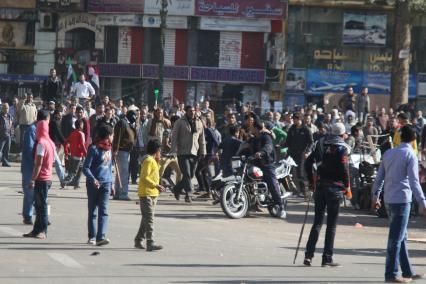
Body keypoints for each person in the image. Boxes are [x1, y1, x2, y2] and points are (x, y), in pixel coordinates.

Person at [372, 125, 426, 283]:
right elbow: (414, 182)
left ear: (400, 138)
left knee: (401, 236)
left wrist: (375, 196)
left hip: (389, 199)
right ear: (414, 139)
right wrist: (423, 201)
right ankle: (391, 274)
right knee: (396, 238)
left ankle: (407, 271)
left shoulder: (389, 153)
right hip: (402, 200)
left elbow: (379, 177)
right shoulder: (410, 154)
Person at [304, 122, 351, 267]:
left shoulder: (321, 145)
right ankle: (327, 258)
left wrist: (312, 182)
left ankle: (308, 256)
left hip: (320, 187)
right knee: (331, 226)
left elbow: (307, 163)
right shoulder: (342, 149)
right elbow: (344, 169)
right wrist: (348, 187)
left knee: (317, 223)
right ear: (342, 135)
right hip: (335, 190)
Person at [23, 117, 55, 239]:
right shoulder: (50, 142)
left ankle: (43, 231)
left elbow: (38, 164)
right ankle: (36, 230)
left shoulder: (41, 143)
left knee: (41, 207)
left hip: (41, 178)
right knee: (39, 205)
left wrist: (32, 179)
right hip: (48, 177)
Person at [83, 125, 115, 246]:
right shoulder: (94, 149)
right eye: (112, 135)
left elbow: (110, 167)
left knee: (104, 210)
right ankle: (92, 236)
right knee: (93, 211)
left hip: (106, 184)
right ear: (107, 136)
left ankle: (101, 236)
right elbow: (85, 168)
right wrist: (93, 179)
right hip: (93, 185)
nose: (113, 137)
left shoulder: (109, 149)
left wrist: (112, 183)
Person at [134, 139, 165, 251]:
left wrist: (158, 161)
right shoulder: (148, 160)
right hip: (146, 193)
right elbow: (144, 177)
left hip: (153, 194)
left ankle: (138, 240)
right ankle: (150, 242)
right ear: (156, 150)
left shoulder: (153, 160)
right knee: (149, 218)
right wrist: (155, 185)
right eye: (160, 150)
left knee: (146, 218)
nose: (160, 152)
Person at [171, 105, 206, 203]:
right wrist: (173, 150)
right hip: (182, 152)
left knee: (190, 175)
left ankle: (176, 189)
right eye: (190, 111)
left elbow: (202, 138)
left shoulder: (199, 122)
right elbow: (174, 137)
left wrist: (203, 152)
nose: (192, 112)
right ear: (186, 112)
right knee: (186, 173)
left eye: (194, 111)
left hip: (195, 152)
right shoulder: (180, 122)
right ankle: (188, 194)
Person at [21, 110, 50, 225]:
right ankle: (28, 216)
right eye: (48, 119)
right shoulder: (31, 130)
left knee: (40, 195)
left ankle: (42, 216)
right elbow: (29, 149)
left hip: (40, 167)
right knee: (30, 193)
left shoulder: (44, 131)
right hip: (30, 167)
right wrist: (38, 160)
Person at [285, 113, 313, 197]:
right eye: (293, 119)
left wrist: (308, 151)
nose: (293, 121)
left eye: (295, 119)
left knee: (300, 173)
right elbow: (288, 141)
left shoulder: (306, 129)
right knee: (289, 173)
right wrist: (282, 146)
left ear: (299, 119)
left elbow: (311, 142)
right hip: (291, 153)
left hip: (302, 154)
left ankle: (304, 191)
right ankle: (294, 190)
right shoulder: (292, 129)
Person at [113, 110, 137, 200]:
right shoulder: (122, 123)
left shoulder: (129, 124)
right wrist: (115, 149)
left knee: (120, 172)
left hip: (126, 151)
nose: (135, 118)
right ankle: (123, 193)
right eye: (134, 116)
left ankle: (118, 192)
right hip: (121, 150)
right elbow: (117, 137)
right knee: (124, 173)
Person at [63, 119, 87, 189]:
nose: (83, 125)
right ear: (80, 125)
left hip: (73, 154)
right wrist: (86, 154)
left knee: (79, 169)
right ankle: (64, 182)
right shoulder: (81, 134)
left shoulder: (72, 133)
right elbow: (82, 145)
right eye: (82, 124)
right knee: (74, 172)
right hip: (79, 155)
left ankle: (76, 183)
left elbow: (66, 142)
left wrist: (66, 151)